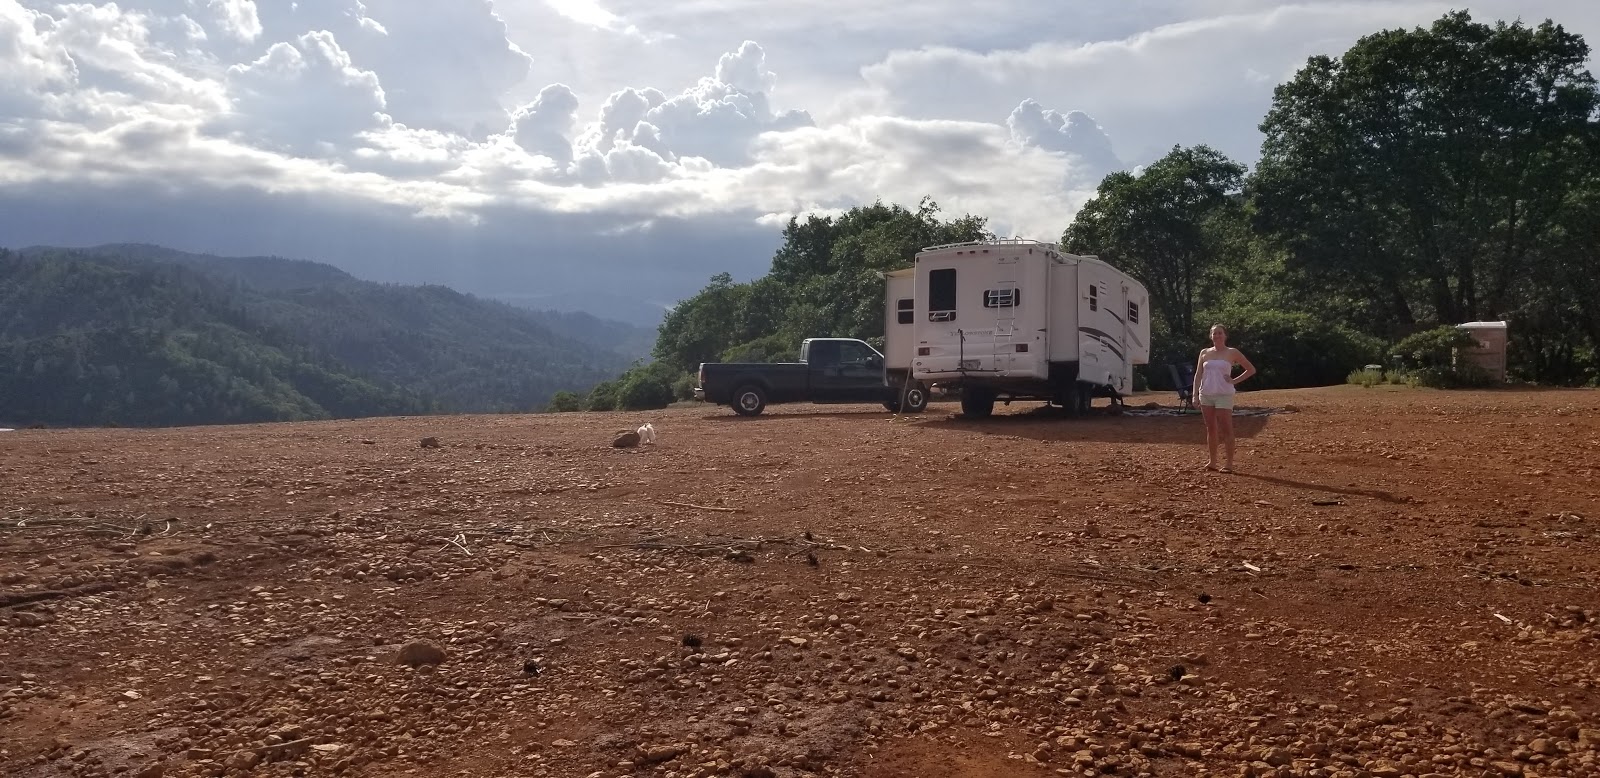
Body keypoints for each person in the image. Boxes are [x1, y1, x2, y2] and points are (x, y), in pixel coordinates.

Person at [1192, 324, 1256, 473]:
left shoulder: (1232, 352)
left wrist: (1234, 381)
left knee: (1227, 429)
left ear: (1225, 335)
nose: (1217, 336)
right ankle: (1212, 461)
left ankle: (1229, 464)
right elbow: (1198, 374)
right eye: (1214, 334)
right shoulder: (1204, 353)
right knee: (1211, 428)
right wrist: (1195, 395)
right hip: (1206, 394)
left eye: (1220, 333)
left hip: (1223, 394)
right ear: (1211, 336)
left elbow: (1251, 369)